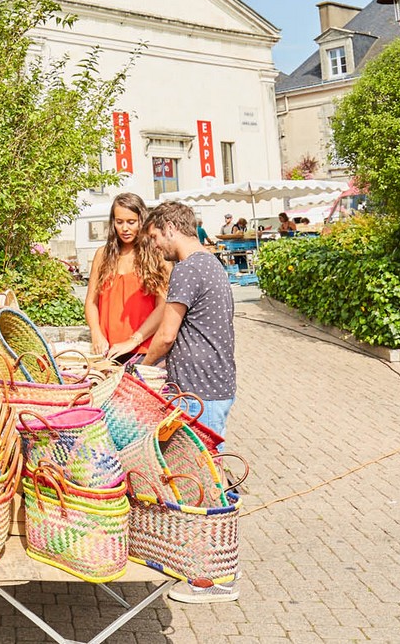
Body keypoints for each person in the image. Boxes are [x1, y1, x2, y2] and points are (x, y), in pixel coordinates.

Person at [139, 200, 238, 604]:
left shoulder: (187, 269)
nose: (155, 247)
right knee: (205, 479)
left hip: (203, 390)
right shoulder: (209, 263)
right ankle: (209, 568)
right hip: (210, 385)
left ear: (167, 229)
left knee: (206, 486)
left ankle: (215, 579)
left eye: (154, 238)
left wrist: (140, 368)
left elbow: (166, 334)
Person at [84, 193, 171, 361]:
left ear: (142, 221)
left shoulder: (156, 255)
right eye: (119, 222)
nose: (125, 228)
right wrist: (96, 333)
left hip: (145, 352)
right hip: (107, 352)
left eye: (131, 222)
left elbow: (163, 306)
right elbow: (91, 302)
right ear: (113, 223)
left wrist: (133, 341)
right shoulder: (102, 255)